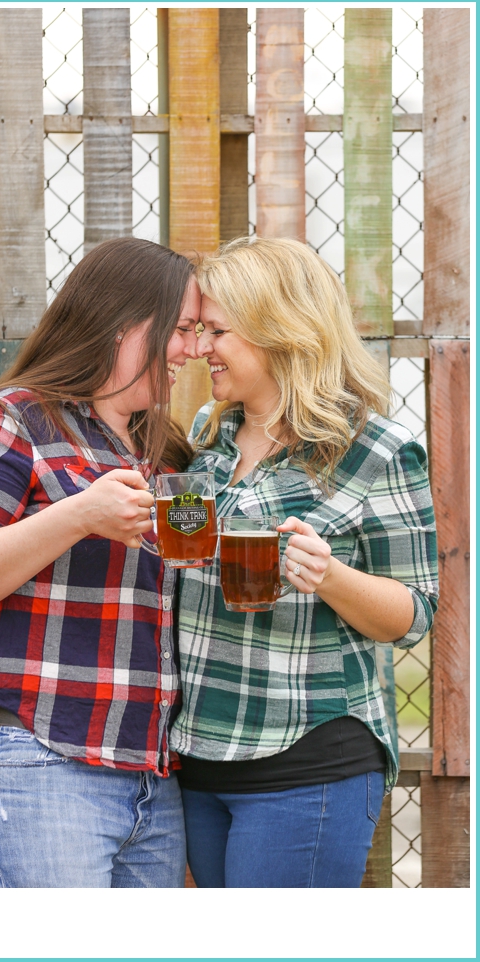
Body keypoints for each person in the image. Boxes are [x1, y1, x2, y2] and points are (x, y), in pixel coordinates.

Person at [0, 237, 202, 887]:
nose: (192, 349)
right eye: (181, 330)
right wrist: (78, 514)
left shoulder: (166, 455)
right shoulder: (13, 421)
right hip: (37, 760)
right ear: (128, 322)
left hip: (150, 784)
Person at [173, 236, 439, 887]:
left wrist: (331, 576)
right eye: (200, 329)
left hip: (307, 765)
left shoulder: (375, 451)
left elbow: (412, 614)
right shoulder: (207, 434)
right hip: (199, 757)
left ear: (279, 332)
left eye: (219, 331)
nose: (202, 347)